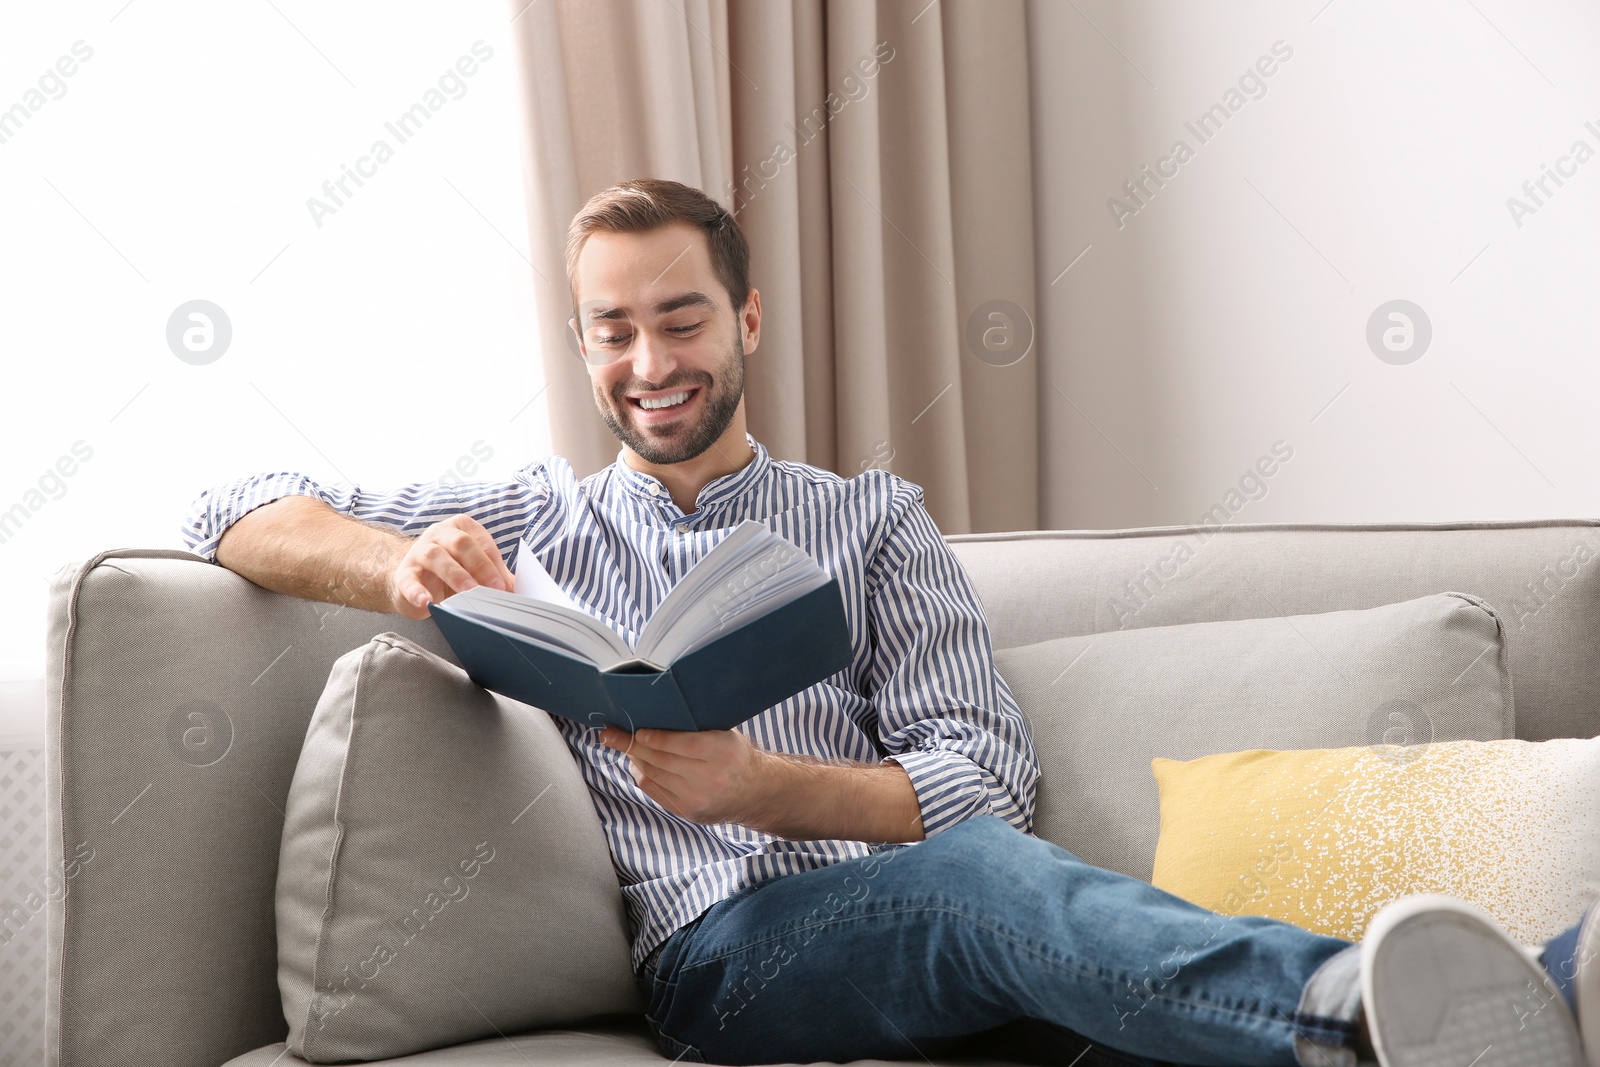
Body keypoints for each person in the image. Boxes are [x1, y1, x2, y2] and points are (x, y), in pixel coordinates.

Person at [182, 178, 1597, 1067]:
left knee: (1071, 961)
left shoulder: (870, 522)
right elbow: (233, 502)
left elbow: (985, 768)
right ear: (582, 346)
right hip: (720, 962)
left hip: (895, 906)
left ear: (747, 319)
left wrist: (762, 782)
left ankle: (1466, 1005)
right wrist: (402, 570)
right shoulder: (536, 520)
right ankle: (1364, 1013)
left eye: (679, 318)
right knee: (989, 886)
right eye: (612, 329)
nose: (649, 361)